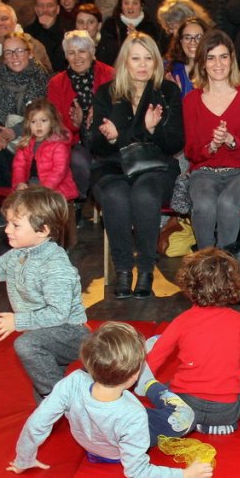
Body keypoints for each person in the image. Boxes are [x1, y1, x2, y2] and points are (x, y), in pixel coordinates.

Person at [8, 321, 212, 478]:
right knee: (186, 415)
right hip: (116, 448)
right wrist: (185, 475)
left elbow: (38, 422)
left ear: (88, 362)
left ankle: (136, 363)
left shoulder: (73, 380)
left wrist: (24, 459)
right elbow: (138, 474)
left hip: (94, 445)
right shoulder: (133, 414)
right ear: (134, 375)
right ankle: (149, 384)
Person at [0, 186, 89, 402]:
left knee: (27, 345)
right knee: (42, 402)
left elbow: (58, 314)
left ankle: (62, 399)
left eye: (15, 225)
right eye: (8, 222)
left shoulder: (55, 266)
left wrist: (18, 321)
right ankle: (61, 398)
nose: (7, 230)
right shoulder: (18, 254)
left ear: (43, 230)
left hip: (69, 333)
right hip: (42, 331)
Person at [83, 31, 183, 299]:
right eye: (135, 58)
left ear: (156, 62)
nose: (142, 65)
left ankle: (147, 270)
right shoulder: (107, 93)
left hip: (156, 166)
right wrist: (118, 137)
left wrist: (152, 130)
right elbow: (97, 145)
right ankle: (124, 270)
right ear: (125, 62)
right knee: (115, 196)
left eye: (148, 58)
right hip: (114, 165)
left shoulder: (169, 91)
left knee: (144, 194)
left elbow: (174, 143)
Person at [146, 248, 240, 434]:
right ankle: (215, 425)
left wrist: (136, 390)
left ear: (189, 285)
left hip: (186, 407)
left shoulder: (182, 321)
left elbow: (153, 361)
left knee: (166, 387)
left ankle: (192, 422)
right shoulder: (238, 322)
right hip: (225, 412)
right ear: (234, 285)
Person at [183, 30, 240, 250]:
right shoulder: (192, 101)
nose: (218, 63)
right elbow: (191, 151)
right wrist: (212, 146)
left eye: (223, 56)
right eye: (211, 57)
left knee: (227, 203)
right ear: (202, 63)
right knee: (205, 205)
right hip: (205, 171)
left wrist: (230, 140)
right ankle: (206, 266)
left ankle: (227, 269)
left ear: (232, 60)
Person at [46, 29, 114, 199]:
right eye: (71, 53)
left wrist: (97, 116)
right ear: (66, 56)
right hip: (76, 141)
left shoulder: (110, 75)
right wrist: (75, 124)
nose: (77, 57)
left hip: (108, 138)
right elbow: (55, 123)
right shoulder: (56, 83)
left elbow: (120, 110)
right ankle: (78, 201)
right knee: (79, 162)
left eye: (82, 51)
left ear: (92, 52)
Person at [0, 32, 51, 189]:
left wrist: (14, 131)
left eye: (19, 51)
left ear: (29, 54)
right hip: (7, 139)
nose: (14, 56)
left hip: (36, 137)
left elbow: (44, 117)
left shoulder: (42, 79)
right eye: (8, 52)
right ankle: (7, 204)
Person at [11, 98, 77, 201]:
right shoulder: (26, 143)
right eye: (33, 122)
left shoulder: (59, 145)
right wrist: (20, 183)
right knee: (14, 205)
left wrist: (43, 189)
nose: (38, 125)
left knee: (34, 205)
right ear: (28, 124)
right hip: (31, 185)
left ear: (52, 122)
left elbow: (59, 171)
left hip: (55, 189)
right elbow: (19, 166)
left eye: (43, 120)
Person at [0, 3, 51, 76]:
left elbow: (45, 74)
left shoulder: (32, 44)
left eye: (4, 18)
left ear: (14, 21)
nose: (0, 23)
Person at [96, 0, 160, 67]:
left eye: (135, 3)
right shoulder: (111, 24)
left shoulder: (150, 27)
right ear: (121, 6)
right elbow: (104, 53)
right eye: (126, 3)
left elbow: (155, 54)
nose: (130, 7)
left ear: (141, 6)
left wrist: (137, 38)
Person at [25, 0, 73, 71]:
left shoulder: (70, 30)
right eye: (41, 6)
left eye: (50, 5)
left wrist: (50, 29)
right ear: (36, 10)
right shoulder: (27, 33)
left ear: (57, 9)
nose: (45, 10)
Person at [164, 17, 209, 96]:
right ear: (180, 41)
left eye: (199, 37)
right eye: (187, 37)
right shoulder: (168, 69)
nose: (193, 42)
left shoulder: (215, 69)